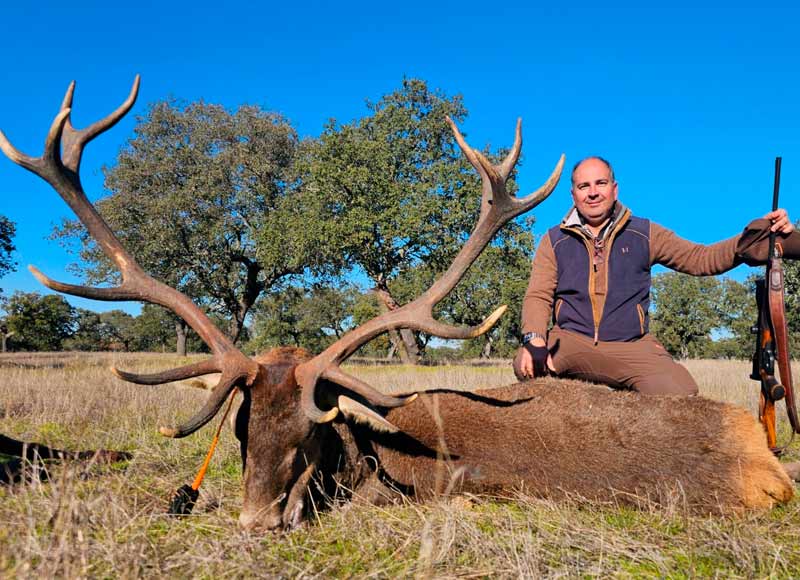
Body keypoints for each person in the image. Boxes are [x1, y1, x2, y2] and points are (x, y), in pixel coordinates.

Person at [513, 156, 799, 396]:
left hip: (630, 345)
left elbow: (700, 258)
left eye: (600, 183)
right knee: (525, 365)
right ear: (573, 194)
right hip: (571, 341)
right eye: (583, 186)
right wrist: (534, 339)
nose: (593, 192)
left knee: (680, 394)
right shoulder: (554, 240)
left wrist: (748, 241)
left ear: (614, 189)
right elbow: (538, 295)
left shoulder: (645, 233)